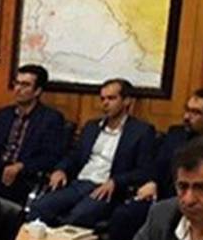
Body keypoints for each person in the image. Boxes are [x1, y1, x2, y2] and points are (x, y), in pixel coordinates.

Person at [106, 87, 203, 240]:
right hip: (158, 195)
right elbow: (157, 165)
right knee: (124, 215)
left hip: (194, 201)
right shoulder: (175, 134)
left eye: (196, 113)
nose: (187, 117)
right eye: (187, 110)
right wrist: (153, 182)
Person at [29, 78, 155, 228]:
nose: (105, 103)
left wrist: (116, 181)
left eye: (111, 98)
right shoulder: (92, 127)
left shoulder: (141, 131)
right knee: (39, 207)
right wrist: (61, 169)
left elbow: (144, 170)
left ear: (127, 101)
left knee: (77, 217)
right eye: (102, 99)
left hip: (106, 189)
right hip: (80, 184)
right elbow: (74, 155)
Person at [0, 64, 69, 204]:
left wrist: (21, 166)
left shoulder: (50, 119)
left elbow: (51, 156)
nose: (18, 89)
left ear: (37, 91)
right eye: (17, 83)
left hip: (25, 174)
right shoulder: (4, 114)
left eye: (25, 85)